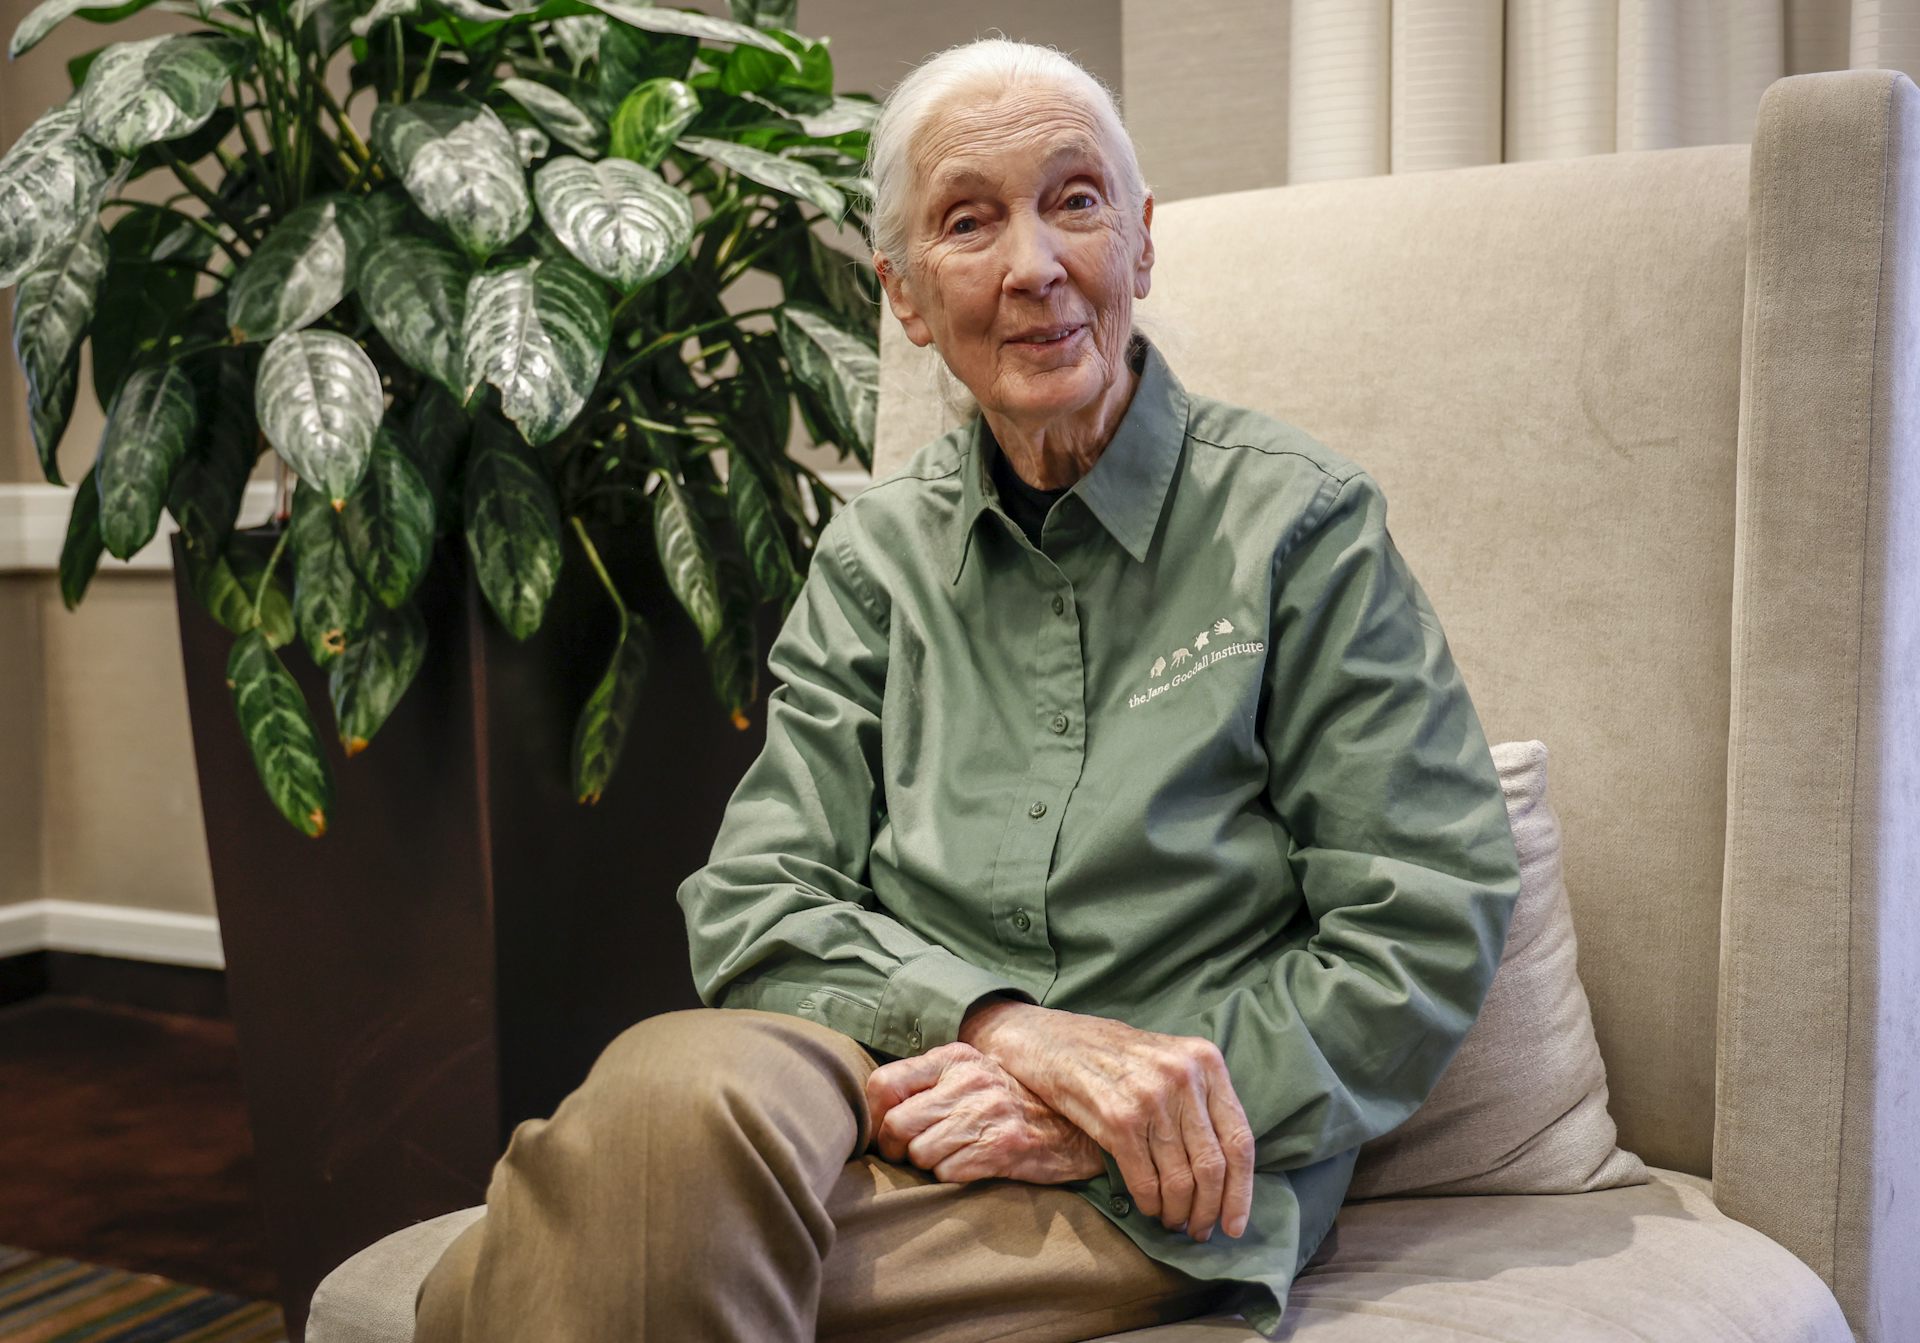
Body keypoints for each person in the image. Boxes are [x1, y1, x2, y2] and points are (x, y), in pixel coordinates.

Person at [412, 35, 1523, 1343]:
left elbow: (1422, 919)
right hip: (871, 1081)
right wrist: (1006, 1031)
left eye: (1075, 200)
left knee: (572, 1270)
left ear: (1142, 243)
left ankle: (509, 1279)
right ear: (905, 296)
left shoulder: (1298, 527)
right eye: (969, 221)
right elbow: (756, 900)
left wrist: (1111, 1103)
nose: (1033, 265)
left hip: (1132, 1177)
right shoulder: (873, 552)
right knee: (664, 1089)